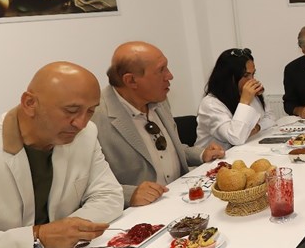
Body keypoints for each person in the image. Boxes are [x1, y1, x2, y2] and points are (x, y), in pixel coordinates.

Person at [0, 62, 122, 248]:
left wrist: (65, 233)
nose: (81, 123)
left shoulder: (84, 135)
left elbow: (109, 195)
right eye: (71, 110)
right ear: (29, 103)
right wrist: (38, 237)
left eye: (90, 111)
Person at [93, 42, 225, 208]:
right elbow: (89, 188)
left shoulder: (158, 99)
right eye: (161, 70)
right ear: (131, 80)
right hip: (143, 213)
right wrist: (129, 195)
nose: (170, 76)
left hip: (181, 198)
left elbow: (169, 150)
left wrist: (201, 154)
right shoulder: (94, 118)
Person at [196, 48, 276, 149]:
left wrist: (257, 127)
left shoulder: (249, 93)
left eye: (253, 74)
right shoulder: (211, 104)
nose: (252, 80)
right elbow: (235, 138)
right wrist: (244, 102)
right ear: (229, 77)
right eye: (246, 75)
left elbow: (271, 117)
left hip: (246, 149)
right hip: (218, 157)